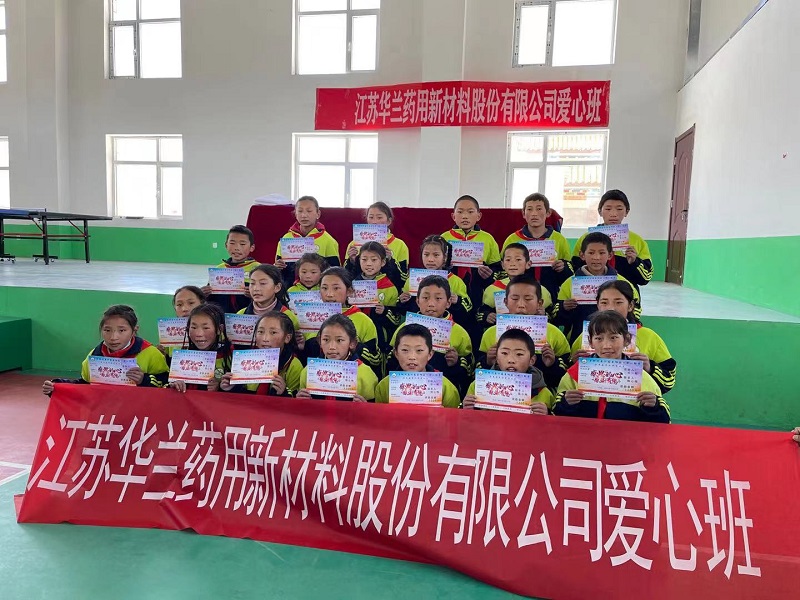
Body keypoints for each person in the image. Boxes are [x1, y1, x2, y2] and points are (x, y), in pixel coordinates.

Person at [554, 310, 670, 423]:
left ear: (627, 339)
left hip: (625, 435)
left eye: (613, 337)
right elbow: (556, 412)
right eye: (599, 338)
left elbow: (663, 420)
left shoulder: (641, 377)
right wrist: (565, 403)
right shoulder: (574, 374)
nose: (606, 345)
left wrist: (654, 407)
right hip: (583, 434)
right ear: (590, 341)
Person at [570, 280, 676, 394]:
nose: (611, 308)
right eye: (604, 302)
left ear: (630, 306)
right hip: (591, 402)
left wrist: (651, 368)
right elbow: (569, 381)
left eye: (618, 302)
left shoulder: (649, 336)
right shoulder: (587, 335)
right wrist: (573, 363)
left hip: (633, 402)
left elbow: (669, 380)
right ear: (598, 305)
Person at [42, 305, 168, 394]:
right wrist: (57, 386)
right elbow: (84, 386)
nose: (113, 337)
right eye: (107, 330)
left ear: (134, 330)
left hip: (138, 417)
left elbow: (165, 385)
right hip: (105, 417)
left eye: (122, 330)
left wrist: (143, 380)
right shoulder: (95, 356)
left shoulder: (151, 353)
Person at [478, 274, 570, 390]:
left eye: (528, 299)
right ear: (505, 302)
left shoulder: (553, 333)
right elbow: (477, 373)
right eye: (515, 299)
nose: (521, 305)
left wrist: (552, 364)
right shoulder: (491, 333)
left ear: (539, 303)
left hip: (540, 395)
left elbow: (566, 375)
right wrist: (487, 362)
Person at [389, 275, 473, 395]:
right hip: (404, 391)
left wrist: (456, 363)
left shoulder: (459, 333)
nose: (431, 304)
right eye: (425, 298)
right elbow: (389, 363)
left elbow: (469, 371)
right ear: (417, 301)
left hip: (442, 392)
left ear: (448, 302)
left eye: (438, 298)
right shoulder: (403, 329)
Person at [552, 232, 640, 344]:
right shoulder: (570, 283)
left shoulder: (622, 282)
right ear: (582, 255)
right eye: (591, 253)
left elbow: (636, 312)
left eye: (602, 253)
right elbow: (556, 316)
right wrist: (564, 307)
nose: (596, 257)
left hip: (616, 341)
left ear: (610, 255)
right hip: (580, 340)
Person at [303, 267, 382, 377]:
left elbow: (376, 359)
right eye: (324, 288)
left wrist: (354, 346)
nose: (329, 294)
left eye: (336, 288)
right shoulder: (310, 318)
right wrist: (301, 346)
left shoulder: (363, 320)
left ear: (349, 291)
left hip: (352, 380)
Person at [571, 189, 654, 292]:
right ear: (600, 211)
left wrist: (635, 262)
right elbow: (574, 271)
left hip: (625, 297)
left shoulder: (637, 241)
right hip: (592, 297)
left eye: (619, 209)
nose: (613, 214)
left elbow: (645, 278)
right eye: (608, 209)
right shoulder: (586, 239)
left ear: (627, 212)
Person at [463, 328, 555, 414]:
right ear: (496, 357)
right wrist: (466, 408)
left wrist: (547, 414)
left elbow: (554, 423)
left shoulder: (543, 392)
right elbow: (466, 420)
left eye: (519, 354)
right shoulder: (478, 386)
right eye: (504, 353)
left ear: (532, 360)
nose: (511, 360)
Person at [502, 193, 572, 301]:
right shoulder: (512, 239)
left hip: (551, 294)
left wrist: (563, 267)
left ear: (548, 213)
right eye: (529, 209)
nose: (534, 214)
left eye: (539, 209)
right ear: (523, 213)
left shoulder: (559, 239)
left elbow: (570, 269)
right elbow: (503, 269)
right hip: (521, 296)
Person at [374, 324, 461, 408]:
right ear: (396, 353)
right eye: (405, 350)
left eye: (419, 350)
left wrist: (443, 414)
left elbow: (454, 416)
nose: (412, 357)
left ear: (430, 354)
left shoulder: (446, 387)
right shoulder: (384, 386)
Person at [220, 310, 303, 397]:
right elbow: (240, 397)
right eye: (260, 332)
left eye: (273, 332)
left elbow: (295, 402)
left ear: (287, 338)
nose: (265, 338)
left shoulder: (293, 365)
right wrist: (230, 387)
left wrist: (283, 393)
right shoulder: (245, 360)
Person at [441, 195, 502, 314]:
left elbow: (499, 270)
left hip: (478, 292)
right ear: (453, 216)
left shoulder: (488, 239)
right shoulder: (444, 238)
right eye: (460, 212)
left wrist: (490, 275)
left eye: (470, 212)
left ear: (478, 216)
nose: (465, 216)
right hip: (451, 295)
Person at [296, 314, 378, 402]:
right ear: (320, 341)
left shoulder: (365, 374)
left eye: (339, 340)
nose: (332, 347)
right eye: (326, 340)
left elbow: (373, 407)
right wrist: (301, 401)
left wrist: (365, 406)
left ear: (352, 343)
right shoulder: (308, 371)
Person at [397, 235, 472, 329]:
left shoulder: (456, 281)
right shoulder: (412, 280)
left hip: (445, 331)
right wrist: (402, 301)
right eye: (426, 254)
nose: (430, 259)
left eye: (436, 255)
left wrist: (458, 301)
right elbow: (404, 311)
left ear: (445, 257)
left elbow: (468, 310)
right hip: (417, 329)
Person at [476, 243, 553, 329]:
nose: (513, 264)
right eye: (508, 260)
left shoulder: (540, 290)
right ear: (502, 265)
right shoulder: (492, 289)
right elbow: (480, 313)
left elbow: (553, 316)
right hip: (502, 334)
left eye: (518, 259)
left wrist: (544, 315)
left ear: (528, 264)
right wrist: (487, 316)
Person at [275, 196, 341, 290]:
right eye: (300, 211)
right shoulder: (286, 239)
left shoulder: (328, 240)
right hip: (291, 292)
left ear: (318, 213)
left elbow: (335, 271)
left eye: (309, 211)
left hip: (319, 293)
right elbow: (278, 271)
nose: (304, 215)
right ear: (295, 214)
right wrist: (277, 267)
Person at [346, 241, 401, 352]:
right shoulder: (352, 285)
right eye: (364, 259)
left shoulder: (389, 287)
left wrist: (385, 311)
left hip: (379, 337)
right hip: (355, 332)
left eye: (374, 260)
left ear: (383, 262)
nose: (369, 264)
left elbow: (396, 320)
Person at [345, 202, 410, 291]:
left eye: (379, 217)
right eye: (371, 217)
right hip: (360, 294)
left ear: (389, 221)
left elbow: (403, 279)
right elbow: (345, 277)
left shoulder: (400, 245)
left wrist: (391, 261)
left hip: (390, 294)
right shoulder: (354, 245)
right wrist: (352, 261)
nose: (374, 222)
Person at [167, 304, 233, 393]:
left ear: (219, 329)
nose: (199, 334)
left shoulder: (230, 355)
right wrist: (175, 385)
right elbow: (166, 386)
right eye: (193, 327)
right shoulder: (181, 356)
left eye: (206, 328)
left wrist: (220, 388)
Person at [203, 225, 261, 314]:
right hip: (221, 317)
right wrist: (203, 294)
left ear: (252, 247)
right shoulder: (219, 269)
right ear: (226, 245)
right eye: (232, 243)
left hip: (247, 317)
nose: (237, 248)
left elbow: (268, 297)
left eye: (242, 244)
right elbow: (211, 300)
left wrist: (254, 294)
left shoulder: (258, 269)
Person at [157, 285, 206, 360]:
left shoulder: (215, 332)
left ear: (202, 304)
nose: (184, 309)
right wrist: (162, 355)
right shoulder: (170, 334)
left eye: (191, 303)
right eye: (179, 305)